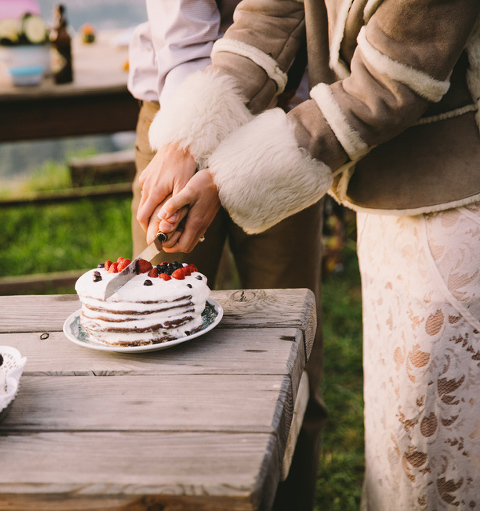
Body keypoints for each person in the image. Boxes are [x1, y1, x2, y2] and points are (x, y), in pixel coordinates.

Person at [141, 0, 480, 508]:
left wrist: (228, 176)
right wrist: (187, 140)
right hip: (384, 204)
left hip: (455, 212)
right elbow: (273, 16)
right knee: (399, 435)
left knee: (433, 450)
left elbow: (391, 82)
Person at [128, 2, 326, 509]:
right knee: (154, 345)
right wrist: (188, 137)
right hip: (177, 112)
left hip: (286, 128)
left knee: (289, 351)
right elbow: (183, 35)